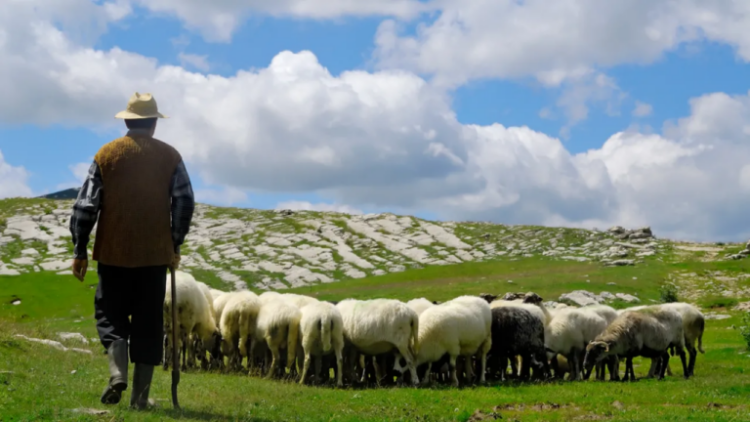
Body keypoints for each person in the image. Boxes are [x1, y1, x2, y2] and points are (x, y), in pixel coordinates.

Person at [69, 92, 195, 410]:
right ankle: (140, 398)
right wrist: (174, 243)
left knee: (109, 316)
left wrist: (80, 249)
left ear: (127, 120)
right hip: (154, 256)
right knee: (148, 322)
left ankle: (116, 374)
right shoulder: (170, 157)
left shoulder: (107, 154)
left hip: (112, 253)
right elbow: (184, 201)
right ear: (154, 124)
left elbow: (86, 205)